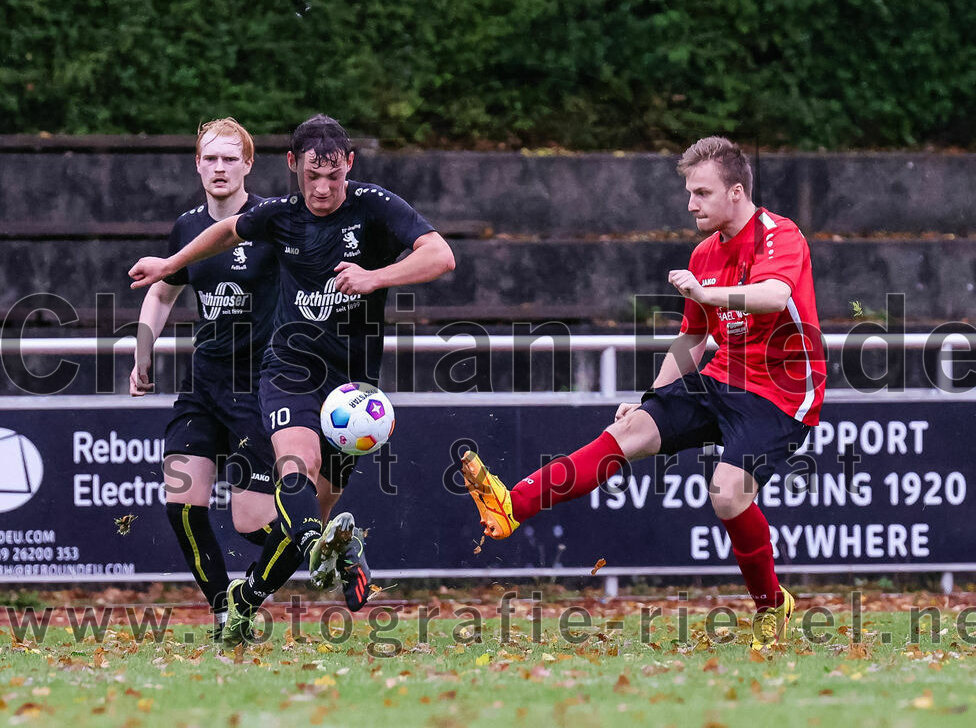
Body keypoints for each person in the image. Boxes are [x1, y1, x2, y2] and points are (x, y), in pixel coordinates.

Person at [460, 136, 825, 651]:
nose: (691, 204)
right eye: (689, 192)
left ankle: (771, 606)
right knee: (628, 429)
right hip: (723, 376)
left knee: (726, 493)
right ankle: (510, 506)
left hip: (782, 392)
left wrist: (707, 293)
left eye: (701, 192)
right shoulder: (704, 253)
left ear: (737, 192)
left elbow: (774, 295)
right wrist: (651, 396)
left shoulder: (778, 234)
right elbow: (693, 338)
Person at [129, 114, 456, 646]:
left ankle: (257, 593)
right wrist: (170, 267)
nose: (322, 188)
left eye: (333, 176)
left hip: (348, 386)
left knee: (285, 515)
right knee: (276, 474)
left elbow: (441, 256)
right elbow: (220, 236)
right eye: (312, 176)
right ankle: (258, 585)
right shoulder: (276, 216)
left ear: (349, 164)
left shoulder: (370, 206)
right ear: (292, 166)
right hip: (281, 371)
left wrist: (374, 277)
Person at [130, 117, 279, 640]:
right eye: (210, 158)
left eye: (229, 158)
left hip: (259, 387)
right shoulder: (187, 226)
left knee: (252, 523)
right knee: (181, 504)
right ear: (197, 164)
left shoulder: (270, 221)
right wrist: (142, 353)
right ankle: (225, 612)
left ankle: (325, 546)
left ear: (247, 164)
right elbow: (162, 291)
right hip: (203, 384)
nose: (219, 168)